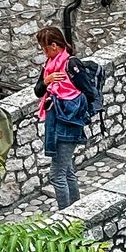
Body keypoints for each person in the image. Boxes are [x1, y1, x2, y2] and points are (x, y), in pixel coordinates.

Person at [33, 25, 93, 210]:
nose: (43, 52)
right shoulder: (48, 67)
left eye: (44, 48)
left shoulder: (71, 64)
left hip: (69, 122)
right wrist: (47, 81)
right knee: (67, 170)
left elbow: (89, 92)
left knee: (56, 173)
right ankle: (75, 208)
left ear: (54, 46)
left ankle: (66, 216)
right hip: (55, 121)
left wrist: (72, 107)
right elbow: (37, 91)